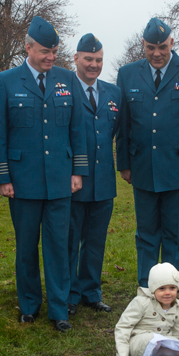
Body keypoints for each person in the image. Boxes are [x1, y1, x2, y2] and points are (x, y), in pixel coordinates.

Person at [0, 16, 88, 332]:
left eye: (54, 51)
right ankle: (29, 305)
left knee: (59, 247)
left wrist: (78, 171)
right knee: (27, 247)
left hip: (60, 179)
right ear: (28, 47)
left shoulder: (67, 80)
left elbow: (78, 128)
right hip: (23, 181)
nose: (50, 57)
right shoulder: (6, 81)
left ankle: (59, 310)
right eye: (45, 51)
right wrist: (3, 177)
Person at [116, 17, 179, 287]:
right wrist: (124, 162)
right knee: (146, 234)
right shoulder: (127, 74)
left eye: (162, 47)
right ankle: (147, 290)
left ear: (172, 42)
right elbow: (123, 123)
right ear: (143, 45)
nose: (157, 53)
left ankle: (169, 289)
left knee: (174, 235)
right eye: (150, 48)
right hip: (143, 167)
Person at [66, 34, 121, 316]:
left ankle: (91, 291)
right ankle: (69, 293)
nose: (93, 65)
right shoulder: (64, 89)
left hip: (103, 182)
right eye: (88, 59)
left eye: (98, 60)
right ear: (76, 59)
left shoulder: (113, 93)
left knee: (96, 241)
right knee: (70, 240)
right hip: (75, 181)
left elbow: (118, 133)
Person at [115, 263, 179, 356]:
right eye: (162, 288)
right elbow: (124, 326)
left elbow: (178, 333)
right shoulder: (141, 302)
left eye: (172, 288)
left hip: (160, 343)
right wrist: (123, 352)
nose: (167, 292)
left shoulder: (178, 310)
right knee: (154, 340)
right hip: (140, 344)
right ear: (153, 290)